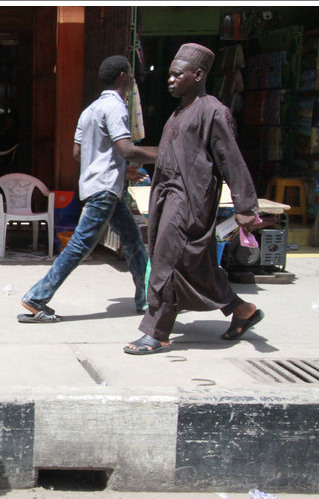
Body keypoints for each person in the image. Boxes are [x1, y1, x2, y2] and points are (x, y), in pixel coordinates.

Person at [124, 43, 263, 355]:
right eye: (170, 75)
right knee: (195, 269)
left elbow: (232, 160)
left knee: (165, 265)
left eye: (177, 75)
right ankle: (242, 310)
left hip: (189, 203)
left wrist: (245, 207)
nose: (170, 80)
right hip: (166, 198)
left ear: (198, 74)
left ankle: (157, 332)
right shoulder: (178, 114)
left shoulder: (214, 112)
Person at [19, 55, 157, 323]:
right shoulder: (116, 108)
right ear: (122, 76)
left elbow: (78, 153)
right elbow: (127, 149)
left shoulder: (89, 111)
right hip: (106, 188)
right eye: (130, 73)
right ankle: (37, 297)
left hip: (100, 186)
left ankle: (147, 299)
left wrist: (119, 168)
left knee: (132, 242)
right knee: (80, 245)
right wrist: (166, 153)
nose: (132, 77)